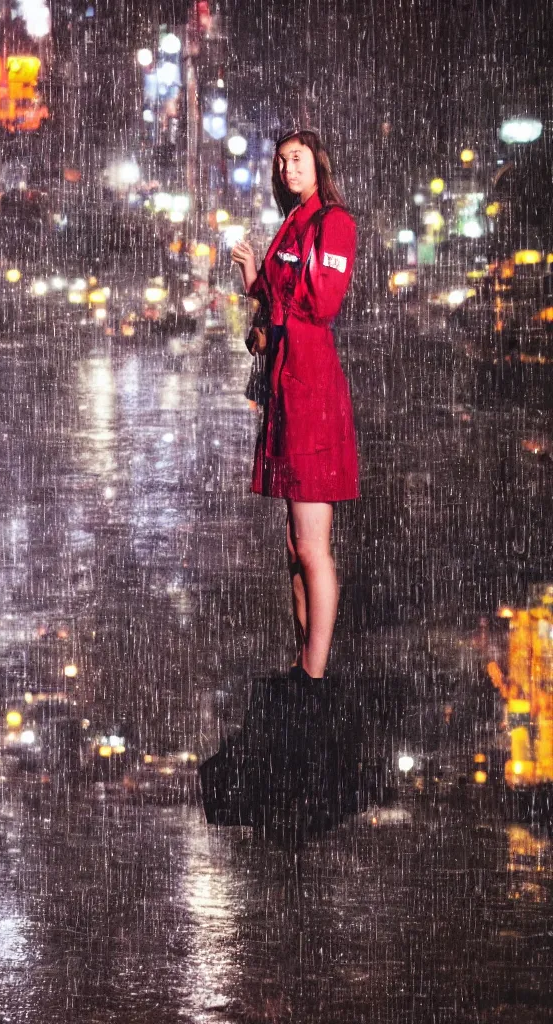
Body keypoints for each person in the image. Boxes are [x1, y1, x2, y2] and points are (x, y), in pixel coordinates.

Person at [230, 129, 358, 683]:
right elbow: (280, 301)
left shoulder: (334, 223)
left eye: (297, 159)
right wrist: (253, 283)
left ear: (317, 164)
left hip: (312, 392)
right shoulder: (291, 223)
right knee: (294, 544)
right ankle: (302, 659)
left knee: (312, 544)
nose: (288, 169)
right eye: (281, 162)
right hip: (286, 389)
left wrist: (270, 299)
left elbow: (321, 302)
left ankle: (315, 673)